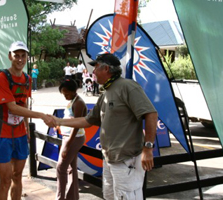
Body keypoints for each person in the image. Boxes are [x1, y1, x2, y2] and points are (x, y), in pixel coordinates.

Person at [50, 53, 158, 200]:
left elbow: (151, 113)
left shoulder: (128, 86)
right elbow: (87, 121)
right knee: (109, 196)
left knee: (126, 197)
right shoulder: (105, 93)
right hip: (109, 159)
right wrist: (59, 121)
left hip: (127, 160)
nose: (93, 72)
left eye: (95, 68)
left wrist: (148, 148)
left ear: (106, 69)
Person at [0, 41, 55, 200]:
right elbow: (12, 107)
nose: (20, 59)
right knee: (5, 180)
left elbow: (23, 103)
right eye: (16, 55)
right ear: (9, 56)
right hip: (1, 134)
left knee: (17, 177)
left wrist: (26, 129)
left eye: (23, 56)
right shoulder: (2, 77)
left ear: (27, 57)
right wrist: (42, 115)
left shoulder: (27, 78)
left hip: (19, 133)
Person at [55, 79, 87, 200]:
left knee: (61, 167)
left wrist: (68, 144)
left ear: (74, 91)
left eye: (67, 94)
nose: (65, 96)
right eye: (64, 94)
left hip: (74, 138)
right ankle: (72, 197)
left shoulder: (78, 103)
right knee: (71, 168)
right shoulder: (73, 100)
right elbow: (69, 119)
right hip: (69, 137)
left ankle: (60, 197)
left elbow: (77, 124)